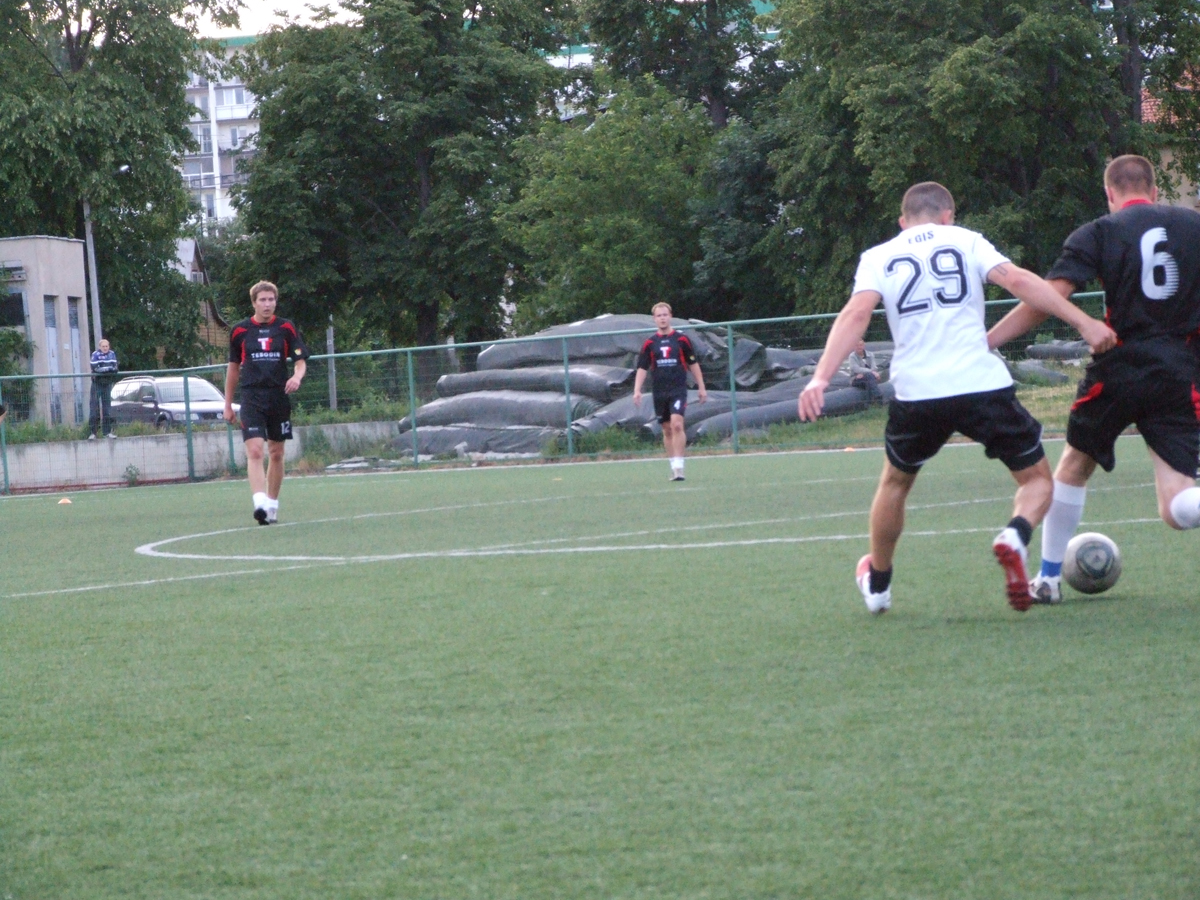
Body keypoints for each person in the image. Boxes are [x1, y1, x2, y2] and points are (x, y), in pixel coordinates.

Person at [798, 181, 1116, 614]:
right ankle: (1015, 534)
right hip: (980, 384)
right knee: (1038, 480)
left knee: (895, 484)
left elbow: (856, 314)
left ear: (902, 221)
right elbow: (1018, 281)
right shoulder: (966, 240)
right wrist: (1084, 322)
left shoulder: (878, 256)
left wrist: (820, 378)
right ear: (948, 215)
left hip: (918, 392)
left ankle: (879, 586)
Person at [988, 155, 1200, 604]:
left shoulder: (1099, 231)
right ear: (1154, 190)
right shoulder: (1193, 225)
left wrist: (989, 340)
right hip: (1179, 370)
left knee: (1073, 466)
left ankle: (1048, 580)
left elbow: (1048, 298)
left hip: (1118, 364)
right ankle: (1048, 578)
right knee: (1177, 506)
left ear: (1109, 193)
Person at [224, 281, 309, 525]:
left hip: (278, 397)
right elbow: (233, 369)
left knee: (276, 452)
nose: (267, 304)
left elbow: (300, 361)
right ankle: (259, 504)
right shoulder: (240, 331)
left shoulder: (286, 327)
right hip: (252, 397)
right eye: (262, 300)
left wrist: (296, 377)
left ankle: (272, 505)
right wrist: (227, 404)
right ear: (254, 303)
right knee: (254, 450)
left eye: (271, 299)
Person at [632, 302, 708, 481]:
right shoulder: (650, 343)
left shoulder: (681, 340)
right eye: (659, 316)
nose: (662, 318)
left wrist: (701, 387)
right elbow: (642, 368)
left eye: (665, 315)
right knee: (666, 429)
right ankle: (673, 465)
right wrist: (637, 390)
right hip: (659, 391)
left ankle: (679, 468)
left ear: (670, 316)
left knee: (677, 424)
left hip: (678, 389)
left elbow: (693, 363)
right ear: (654, 319)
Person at [88, 338, 119, 439]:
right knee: (94, 409)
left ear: (109, 346)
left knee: (107, 410)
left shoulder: (112, 354)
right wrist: (108, 369)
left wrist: (104, 369)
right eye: (103, 346)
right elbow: (95, 368)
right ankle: (93, 433)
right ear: (100, 347)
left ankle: (107, 432)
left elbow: (115, 368)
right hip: (97, 384)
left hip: (107, 384)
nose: (105, 348)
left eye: (107, 346)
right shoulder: (95, 354)